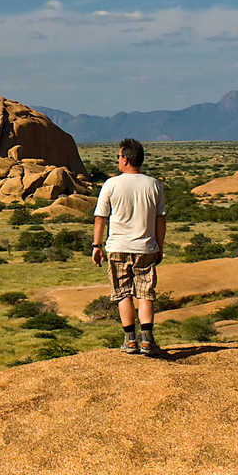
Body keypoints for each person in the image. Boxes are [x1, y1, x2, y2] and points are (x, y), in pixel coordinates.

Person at [91, 137, 168, 357]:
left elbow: (100, 218)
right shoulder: (153, 184)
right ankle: (147, 341)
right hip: (146, 247)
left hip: (117, 247)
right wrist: (159, 246)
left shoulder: (111, 184)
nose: (118, 160)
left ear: (125, 159)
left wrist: (96, 245)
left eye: (118, 156)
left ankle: (130, 340)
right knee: (145, 293)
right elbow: (160, 219)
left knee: (122, 293)